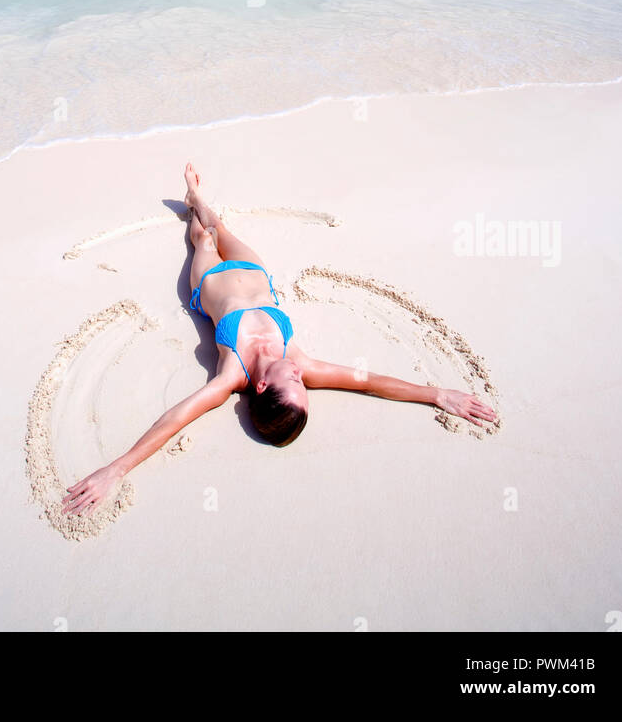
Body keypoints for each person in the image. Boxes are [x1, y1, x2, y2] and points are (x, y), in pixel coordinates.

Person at [62, 164, 497, 517]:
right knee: (217, 223)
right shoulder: (298, 364)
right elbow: (370, 382)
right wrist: (437, 394)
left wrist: (116, 470)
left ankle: (194, 209)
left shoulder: (232, 375)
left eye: (297, 385)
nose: (302, 377)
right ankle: (197, 198)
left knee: (200, 236)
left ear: (264, 387)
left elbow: (175, 418)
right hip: (256, 270)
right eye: (305, 386)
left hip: (207, 280)